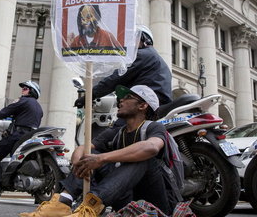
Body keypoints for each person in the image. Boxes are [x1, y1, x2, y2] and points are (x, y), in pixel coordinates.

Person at [19, 85, 172, 217]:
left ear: (142, 106)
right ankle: (62, 203)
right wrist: (80, 162)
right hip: (126, 198)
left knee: (142, 158)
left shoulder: (154, 127)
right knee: (90, 157)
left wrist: (102, 159)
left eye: (128, 97)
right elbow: (82, 148)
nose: (121, 100)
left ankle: (90, 208)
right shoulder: (117, 132)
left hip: (154, 203)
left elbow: (150, 148)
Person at [75, 25, 172, 109]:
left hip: (145, 106)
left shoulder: (142, 55)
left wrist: (89, 96)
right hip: (155, 104)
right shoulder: (154, 58)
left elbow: (116, 78)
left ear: (144, 39)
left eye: (133, 38)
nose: (129, 43)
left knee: (116, 130)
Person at [0, 80, 43, 196]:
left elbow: (7, 110)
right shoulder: (39, 108)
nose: (22, 90)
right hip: (31, 136)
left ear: (32, 92)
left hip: (19, 134)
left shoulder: (24, 101)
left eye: (25, 89)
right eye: (23, 88)